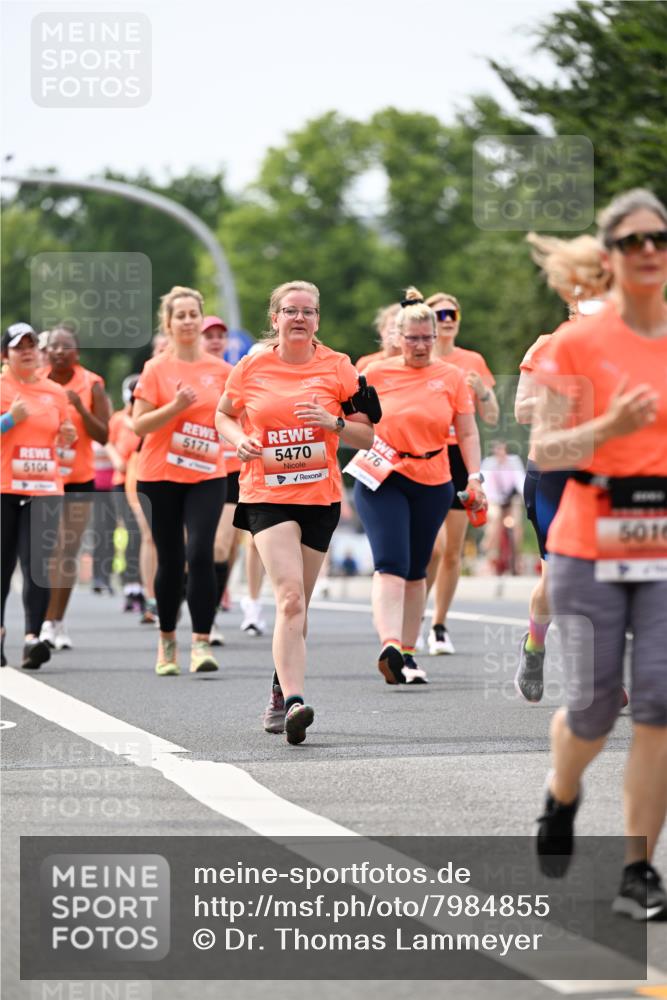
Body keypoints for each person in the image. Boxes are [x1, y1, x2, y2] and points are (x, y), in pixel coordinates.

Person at [530, 189, 667, 920]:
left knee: (660, 702)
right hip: (588, 533)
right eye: (633, 240)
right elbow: (544, 448)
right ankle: (559, 796)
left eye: (659, 238)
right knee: (591, 709)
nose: (649, 250)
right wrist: (609, 424)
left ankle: (637, 871)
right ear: (610, 258)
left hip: (661, 538)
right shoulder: (576, 344)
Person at [215, 280, 375, 744]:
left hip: (320, 497)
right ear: (276, 318)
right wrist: (237, 438)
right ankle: (295, 702)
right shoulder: (250, 366)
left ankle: (276, 688)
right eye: (290, 311)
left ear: (318, 319)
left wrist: (336, 424)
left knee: (299, 606)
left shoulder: (339, 368)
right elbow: (223, 414)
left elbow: (368, 437)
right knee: (287, 598)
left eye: (308, 311)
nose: (300, 318)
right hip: (265, 493)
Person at [349, 287, 487, 685]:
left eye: (428, 338)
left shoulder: (452, 376)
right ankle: (389, 644)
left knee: (417, 568)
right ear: (396, 338)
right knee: (391, 563)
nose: (422, 345)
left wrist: (475, 477)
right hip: (384, 476)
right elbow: (354, 423)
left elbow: (468, 432)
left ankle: (407, 654)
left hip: (434, 479)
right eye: (413, 339)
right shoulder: (373, 373)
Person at [514, 232, 611, 701]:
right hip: (554, 473)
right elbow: (523, 411)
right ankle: (534, 645)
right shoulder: (548, 346)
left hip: (611, 474)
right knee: (560, 579)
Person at [133, 287, 231, 676]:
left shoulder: (222, 372)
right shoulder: (157, 369)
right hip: (159, 475)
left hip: (207, 474)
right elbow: (140, 424)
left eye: (194, 314)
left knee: (201, 553)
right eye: (181, 315)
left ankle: (202, 642)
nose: (188, 321)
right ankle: (167, 639)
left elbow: (236, 417)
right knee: (171, 560)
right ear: (168, 323)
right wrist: (175, 407)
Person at [423, 292, 499, 655]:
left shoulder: (472, 361)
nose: (447, 319)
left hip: (458, 457)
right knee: (431, 548)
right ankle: (414, 611)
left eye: (453, 313)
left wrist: (483, 390)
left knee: (451, 550)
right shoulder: (417, 357)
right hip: (424, 454)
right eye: (440, 314)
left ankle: (438, 624)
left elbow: (493, 418)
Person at [1, 323, 75, 669]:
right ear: (6, 355)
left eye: (32, 345)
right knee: (3, 567)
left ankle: (33, 639)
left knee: (38, 566)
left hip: (44, 487)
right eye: (19, 346)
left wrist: (66, 437)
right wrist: (8, 420)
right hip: (4, 487)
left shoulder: (54, 392)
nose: (27, 351)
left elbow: (58, 440)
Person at [39, 327, 110, 651]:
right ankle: (41, 620)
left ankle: (56, 621)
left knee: (67, 550)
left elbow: (104, 435)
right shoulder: (35, 380)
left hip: (79, 479)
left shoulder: (91, 383)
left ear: (76, 353)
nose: (58, 351)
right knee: (45, 551)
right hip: (40, 477)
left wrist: (79, 408)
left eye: (65, 346)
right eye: (53, 345)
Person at [106, 375, 145, 615]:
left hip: (145, 481)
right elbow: (107, 442)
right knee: (132, 531)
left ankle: (143, 584)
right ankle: (131, 584)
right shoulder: (118, 420)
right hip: (121, 483)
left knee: (145, 534)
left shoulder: (146, 419)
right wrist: (117, 460)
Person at [480, 440, 526, 574]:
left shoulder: (513, 462)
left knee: (517, 524)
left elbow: (520, 481)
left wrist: (525, 497)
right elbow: (486, 486)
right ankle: (491, 556)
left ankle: (517, 558)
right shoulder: (489, 464)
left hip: (511, 500)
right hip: (495, 500)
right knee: (494, 521)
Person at [356, 303, 401, 372]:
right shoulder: (365, 364)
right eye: (392, 327)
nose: (396, 332)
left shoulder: (417, 364)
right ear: (381, 330)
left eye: (400, 327)